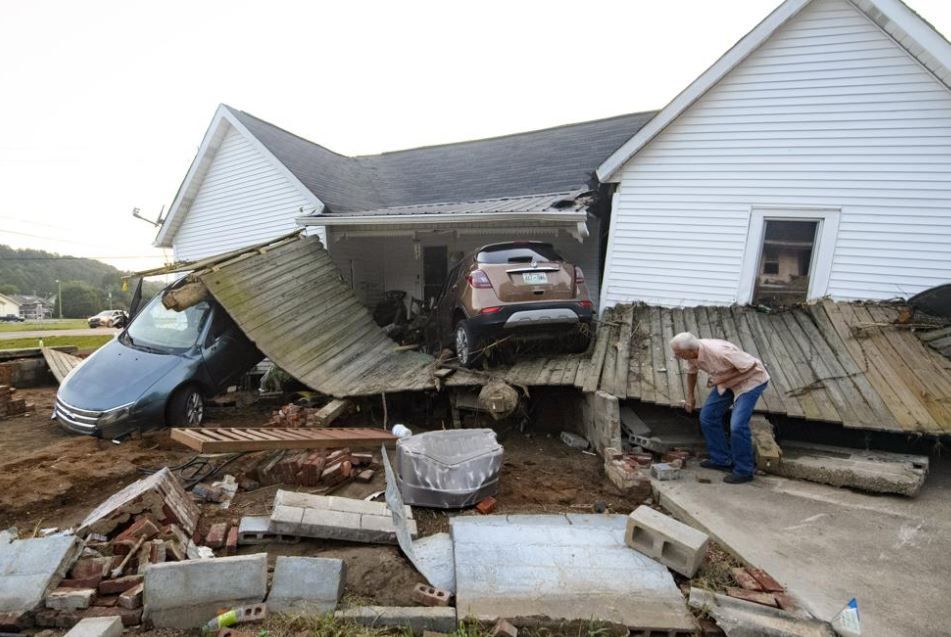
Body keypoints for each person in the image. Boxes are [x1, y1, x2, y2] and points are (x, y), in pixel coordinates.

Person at [669, 332, 769, 484]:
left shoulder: (719, 351)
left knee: (737, 426)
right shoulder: (691, 354)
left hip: (751, 381)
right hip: (727, 382)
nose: (676, 356)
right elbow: (691, 372)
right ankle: (722, 460)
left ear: (690, 350)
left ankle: (744, 471)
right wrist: (690, 396)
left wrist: (720, 379)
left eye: (678, 353)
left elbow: (751, 367)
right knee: (707, 417)